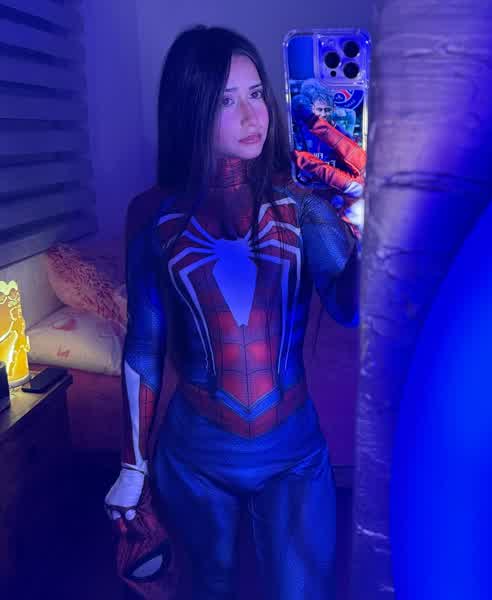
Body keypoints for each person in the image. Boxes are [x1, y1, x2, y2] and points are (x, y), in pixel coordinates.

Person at [104, 25, 365, 600]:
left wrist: (367, 229)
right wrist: (132, 466)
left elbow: (348, 309)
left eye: (256, 94)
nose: (252, 116)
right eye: (226, 100)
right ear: (191, 108)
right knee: (206, 589)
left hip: (293, 452)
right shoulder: (152, 217)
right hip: (193, 455)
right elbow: (145, 342)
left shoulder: (304, 207)